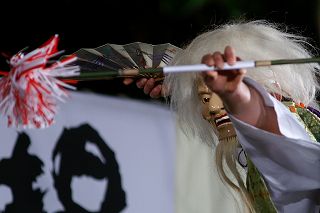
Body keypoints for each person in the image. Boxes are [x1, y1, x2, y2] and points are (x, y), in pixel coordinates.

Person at [124, 20, 320, 213]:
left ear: (272, 88)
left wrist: (239, 97)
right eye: (204, 98)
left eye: (221, 95)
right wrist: (180, 76)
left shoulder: (286, 134)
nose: (212, 109)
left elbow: (277, 137)